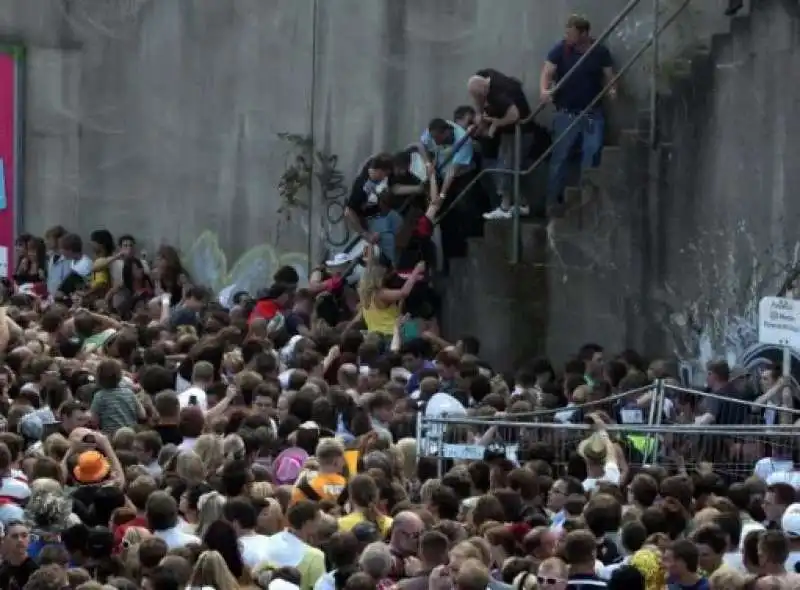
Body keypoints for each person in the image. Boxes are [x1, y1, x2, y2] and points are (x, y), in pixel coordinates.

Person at [540, 14, 615, 218]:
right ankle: (552, 202)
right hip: (567, 112)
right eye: (567, 32)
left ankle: (585, 200)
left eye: (571, 33)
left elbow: (609, 75)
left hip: (592, 111)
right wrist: (544, 90)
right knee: (560, 158)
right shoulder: (561, 49)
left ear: (584, 33)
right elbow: (547, 71)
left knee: (592, 154)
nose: (568, 36)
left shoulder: (599, 51)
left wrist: (612, 90)